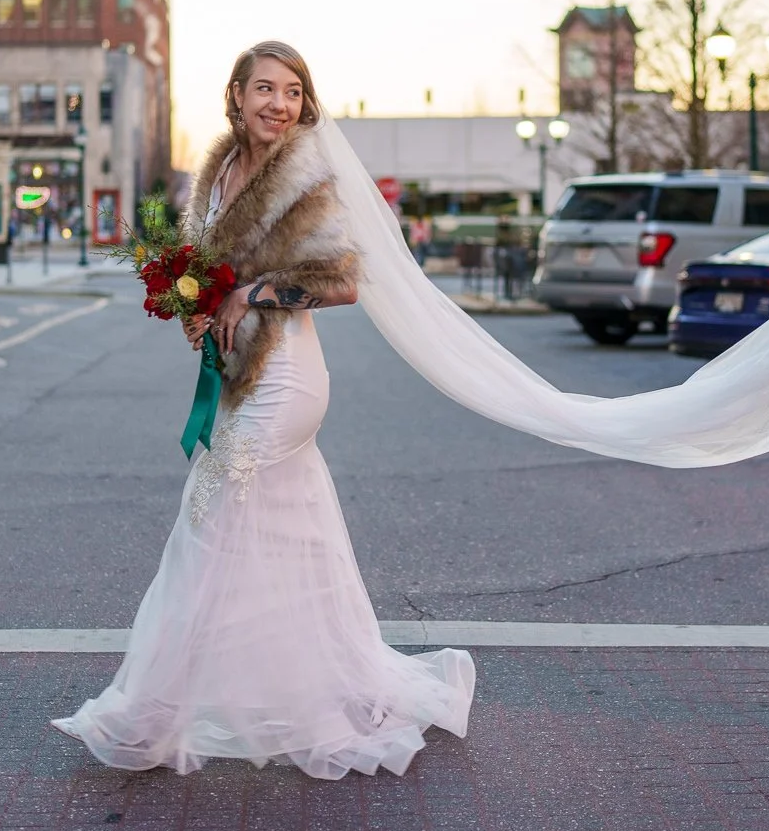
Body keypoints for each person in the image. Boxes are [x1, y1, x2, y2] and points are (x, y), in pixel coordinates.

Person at [52, 42, 474, 778]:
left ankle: (149, 711)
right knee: (292, 535)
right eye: (265, 89)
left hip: (286, 382)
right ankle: (345, 685)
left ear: (304, 102)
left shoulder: (308, 174)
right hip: (242, 377)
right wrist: (196, 301)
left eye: (292, 91)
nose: (279, 103)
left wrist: (251, 295)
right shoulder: (217, 172)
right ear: (237, 95)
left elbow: (342, 284)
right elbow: (209, 270)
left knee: (205, 518)